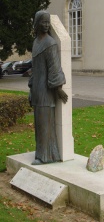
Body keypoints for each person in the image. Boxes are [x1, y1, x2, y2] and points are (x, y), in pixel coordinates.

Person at [28, 10, 68, 165]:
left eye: (47, 22)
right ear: (37, 23)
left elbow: (54, 67)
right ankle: (43, 154)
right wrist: (31, 89)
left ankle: (45, 156)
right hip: (37, 90)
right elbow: (35, 68)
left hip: (46, 91)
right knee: (39, 124)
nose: (45, 25)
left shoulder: (50, 43)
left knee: (45, 124)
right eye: (43, 22)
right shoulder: (36, 42)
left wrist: (58, 88)